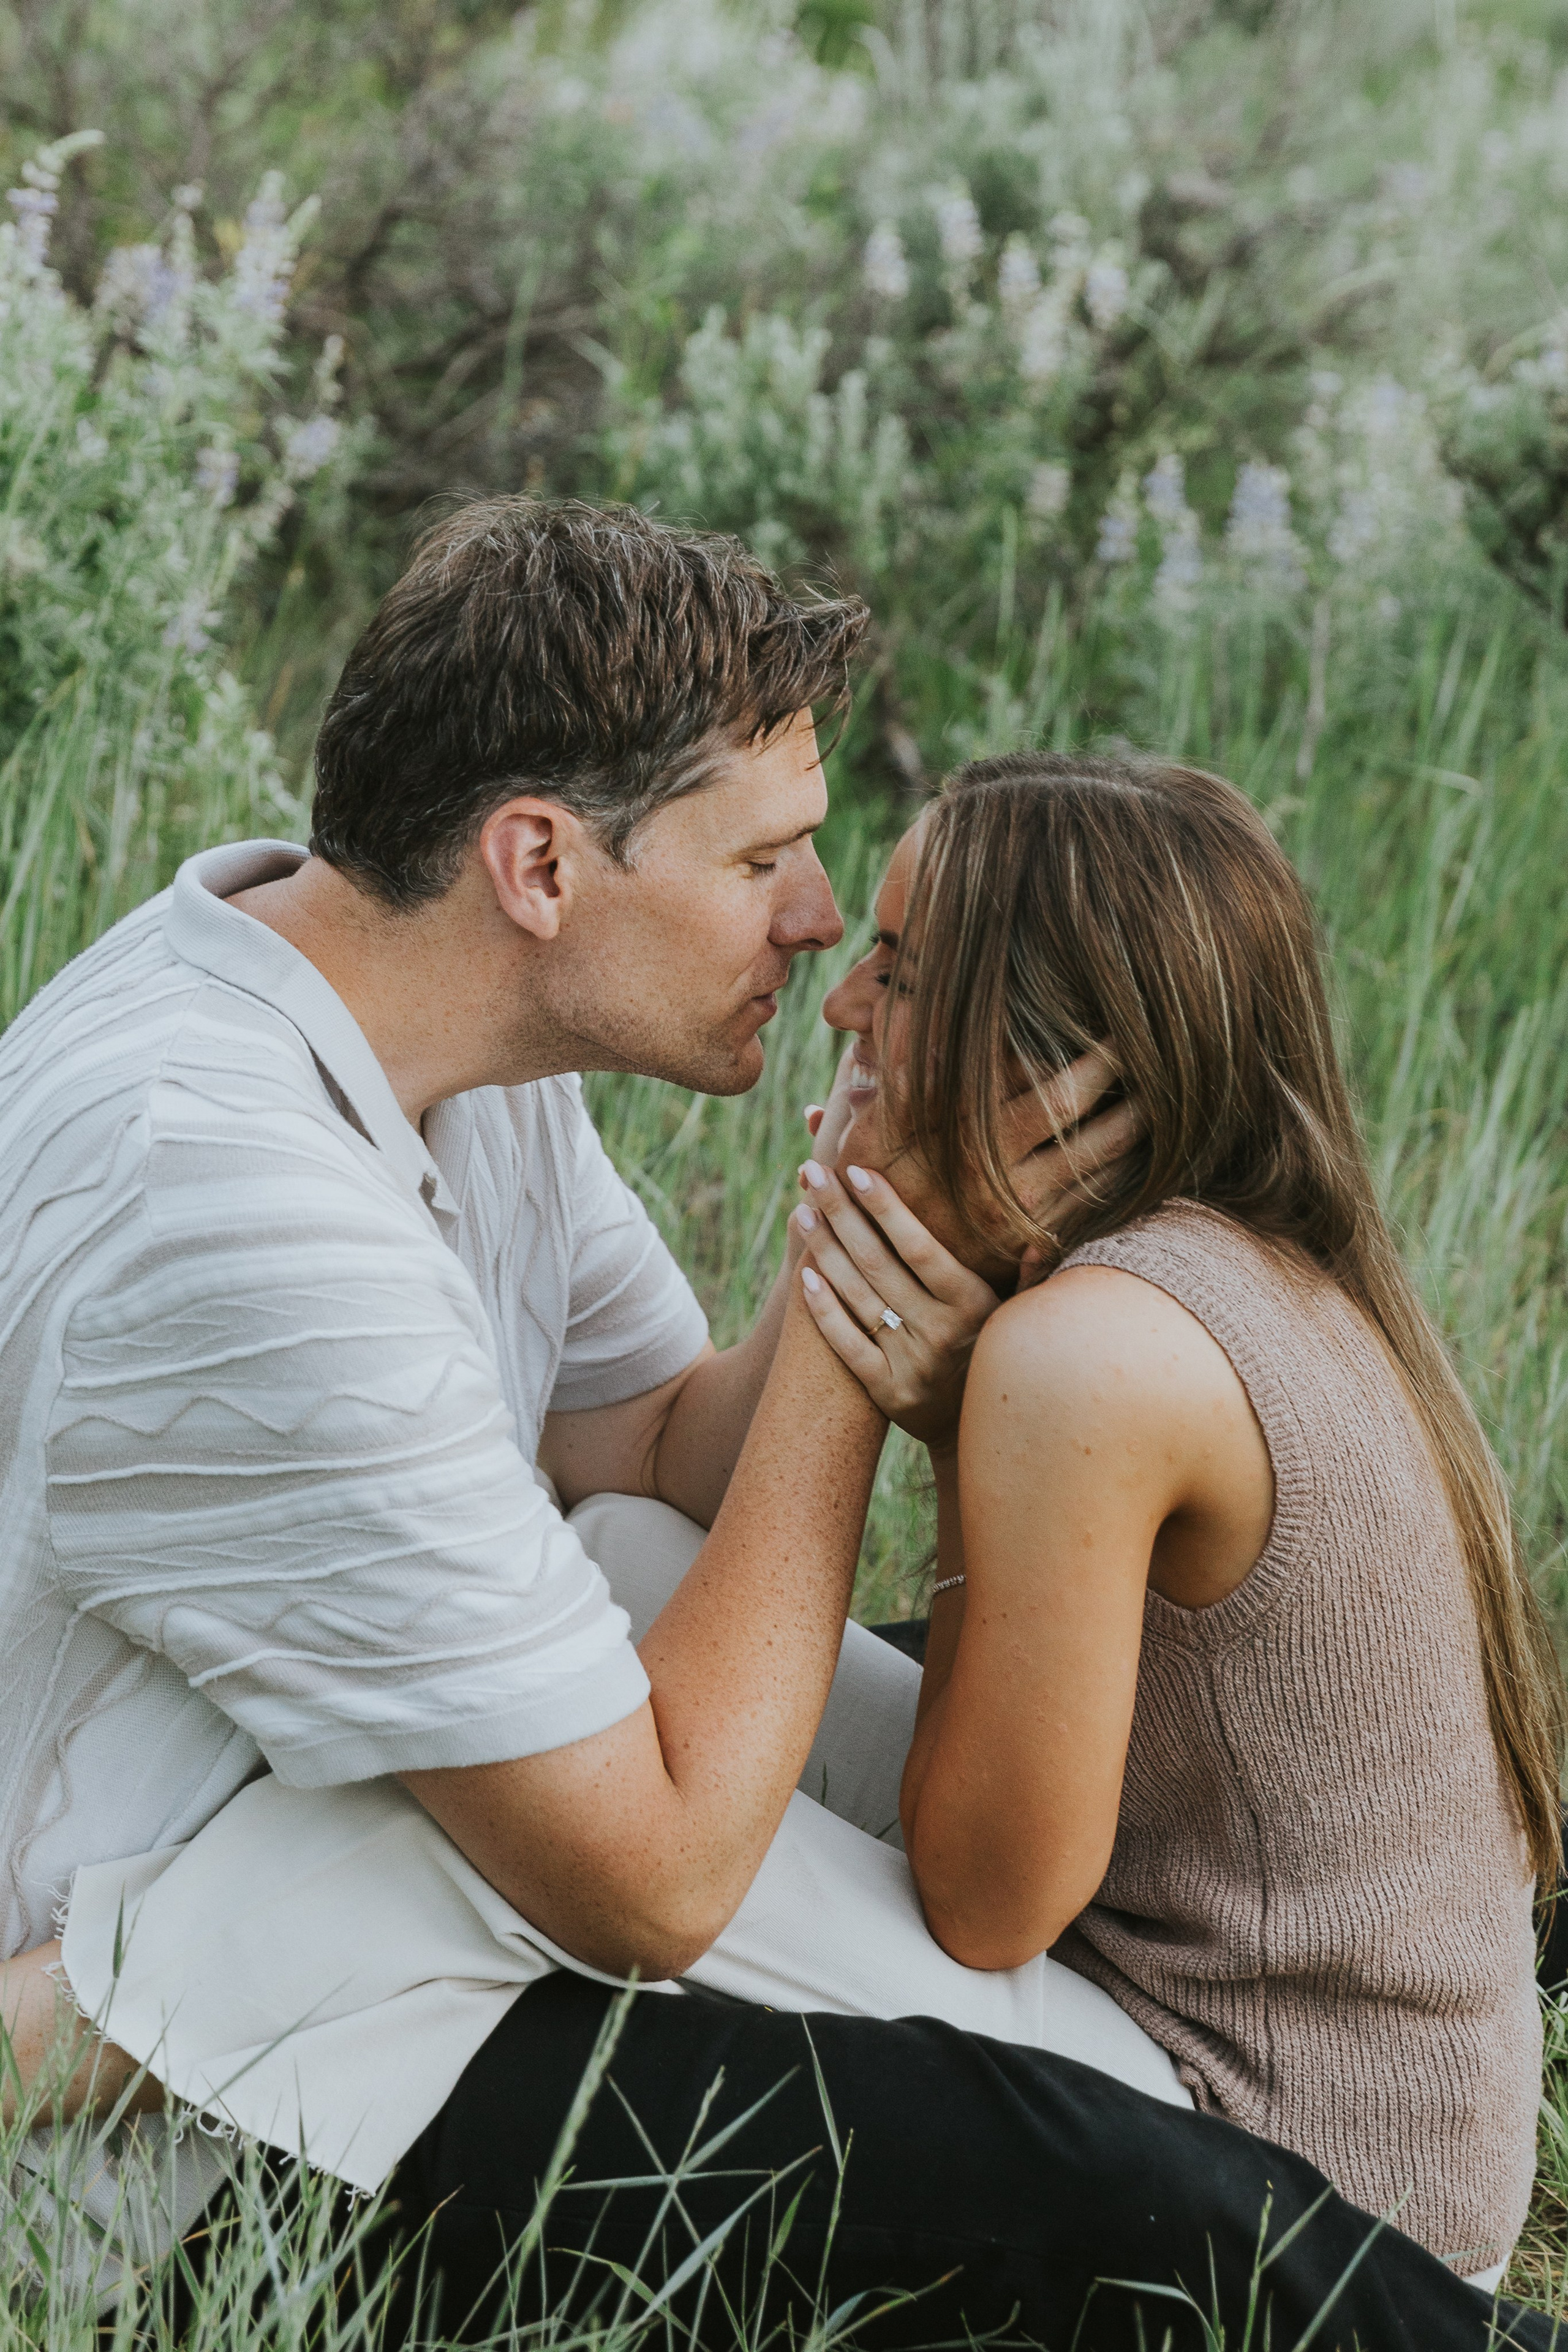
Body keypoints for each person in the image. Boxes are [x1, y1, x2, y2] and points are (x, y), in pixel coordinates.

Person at [0, 502, 1553, 2351]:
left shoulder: (444, 1048)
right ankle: (74, 2029)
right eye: (769, 863)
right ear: (540, 868)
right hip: (171, 2144)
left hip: (1262, 2092)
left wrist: (888, 1253)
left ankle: (95, 2007)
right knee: (534, 1760)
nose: (819, 935)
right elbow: (650, 1877)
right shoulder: (233, 1193)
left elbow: (657, 1443)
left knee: (622, 1571)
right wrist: (854, 1333)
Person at [796, 753, 1563, 2291]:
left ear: (1058, 1051)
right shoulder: (1256, 1262)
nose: (842, 1007)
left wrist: (958, 1442)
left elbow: (985, 1902)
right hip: (1330, 2086)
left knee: (639, 1853)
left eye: (903, 968)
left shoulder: (1088, 1352)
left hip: (1297, 2175)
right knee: (623, 1592)